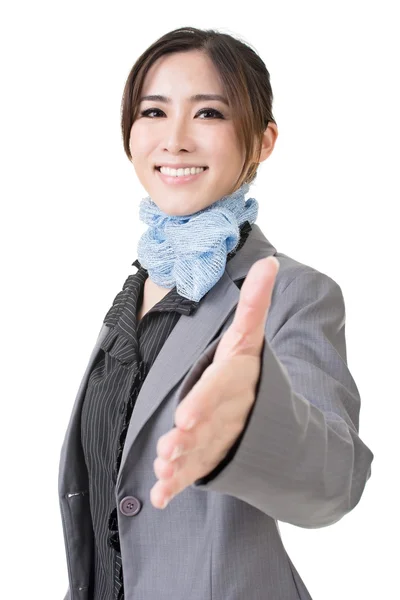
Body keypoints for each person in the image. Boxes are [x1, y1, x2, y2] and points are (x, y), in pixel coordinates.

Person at [58, 26, 374, 600]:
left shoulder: (292, 292)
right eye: (153, 111)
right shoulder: (135, 290)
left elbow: (336, 480)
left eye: (208, 114)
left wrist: (250, 425)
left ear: (263, 140)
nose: (175, 140)